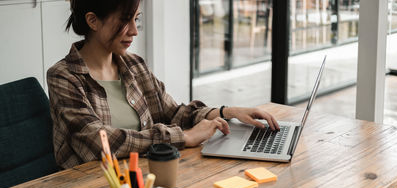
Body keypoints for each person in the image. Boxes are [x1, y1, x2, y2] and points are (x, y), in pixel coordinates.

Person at [47, 0, 280, 169]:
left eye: (136, 19)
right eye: (124, 20)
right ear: (92, 21)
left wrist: (228, 112)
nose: (134, 31)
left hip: (141, 179)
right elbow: (99, 142)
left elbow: (173, 113)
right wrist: (182, 138)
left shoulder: (134, 65)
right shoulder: (64, 77)